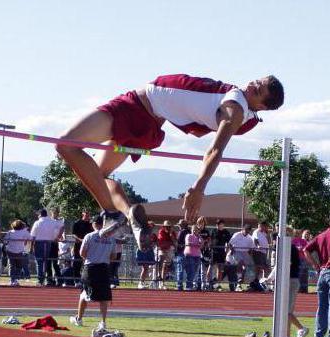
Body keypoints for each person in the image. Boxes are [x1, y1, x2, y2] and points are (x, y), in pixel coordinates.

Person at [55, 74, 284, 251]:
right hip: (149, 127)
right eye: (256, 82)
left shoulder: (234, 107)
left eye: (257, 90)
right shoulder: (243, 114)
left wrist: (198, 187)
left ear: (262, 106)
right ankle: (127, 214)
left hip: (134, 108)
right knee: (98, 175)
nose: (251, 85)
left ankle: (111, 214)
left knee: (65, 145)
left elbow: (215, 149)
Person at [69, 215, 116, 337]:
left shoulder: (89, 236)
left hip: (90, 267)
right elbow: (113, 256)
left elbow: (82, 253)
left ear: (94, 224)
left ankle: (79, 318)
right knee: (104, 297)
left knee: (84, 293)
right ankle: (103, 322)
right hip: (104, 268)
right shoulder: (111, 238)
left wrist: (91, 258)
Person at [30, 209, 61, 286]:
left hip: (39, 242)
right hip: (49, 242)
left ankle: (40, 280)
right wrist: (57, 237)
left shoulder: (37, 222)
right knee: (46, 261)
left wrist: (31, 247)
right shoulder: (52, 221)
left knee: (39, 262)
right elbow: (61, 226)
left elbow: (33, 236)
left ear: (40, 215)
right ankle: (46, 279)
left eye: (38, 214)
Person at [5, 219, 31, 287]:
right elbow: (30, 238)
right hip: (18, 251)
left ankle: (12, 279)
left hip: (11, 251)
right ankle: (15, 279)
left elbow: (5, 240)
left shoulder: (10, 232)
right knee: (18, 266)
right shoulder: (24, 232)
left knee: (12, 266)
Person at [229, 224, 255, 290]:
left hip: (245, 252)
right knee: (240, 263)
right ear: (243, 229)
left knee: (248, 267)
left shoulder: (250, 237)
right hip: (237, 251)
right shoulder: (237, 234)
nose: (247, 232)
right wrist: (233, 251)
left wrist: (249, 255)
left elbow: (251, 248)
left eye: (248, 230)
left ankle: (242, 283)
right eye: (246, 230)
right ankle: (239, 279)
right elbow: (230, 243)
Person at [45, 207, 66, 286]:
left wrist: (58, 237)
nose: (55, 214)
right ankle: (49, 280)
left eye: (56, 213)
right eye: (54, 213)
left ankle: (59, 280)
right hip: (49, 242)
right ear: (51, 213)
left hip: (54, 243)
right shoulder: (49, 221)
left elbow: (62, 229)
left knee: (55, 262)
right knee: (48, 262)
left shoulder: (60, 221)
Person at [71, 211, 92, 286]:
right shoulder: (77, 223)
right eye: (86, 213)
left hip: (89, 246)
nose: (87, 215)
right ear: (83, 214)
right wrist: (80, 240)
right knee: (77, 263)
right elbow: (73, 234)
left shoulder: (91, 224)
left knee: (89, 262)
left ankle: (88, 280)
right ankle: (76, 280)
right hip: (79, 245)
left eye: (88, 214)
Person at [209, 219, 231, 290]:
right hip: (214, 252)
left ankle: (217, 284)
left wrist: (226, 252)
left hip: (222, 253)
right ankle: (208, 283)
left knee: (220, 269)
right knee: (210, 267)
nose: (221, 226)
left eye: (222, 224)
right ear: (217, 225)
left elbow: (229, 244)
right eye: (219, 224)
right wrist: (210, 248)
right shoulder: (213, 231)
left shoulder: (226, 232)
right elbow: (210, 241)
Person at [155, 220, 176, 290]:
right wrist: (169, 243)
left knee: (166, 265)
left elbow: (175, 242)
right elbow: (161, 242)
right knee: (161, 258)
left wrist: (171, 236)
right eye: (166, 227)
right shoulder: (161, 231)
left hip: (169, 249)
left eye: (169, 227)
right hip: (162, 249)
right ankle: (159, 277)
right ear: (164, 227)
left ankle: (162, 282)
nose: (168, 228)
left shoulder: (172, 233)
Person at [136, 221, 157, 289]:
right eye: (150, 226)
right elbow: (141, 241)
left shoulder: (152, 234)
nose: (152, 227)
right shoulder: (143, 232)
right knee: (145, 267)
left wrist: (152, 244)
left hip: (149, 251)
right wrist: (145, 246)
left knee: (146, 268)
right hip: (143, 251)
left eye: (153, 226)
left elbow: (154, 242)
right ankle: (140, 283)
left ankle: (142, 282)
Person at [183, 224, 203, 291]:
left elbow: (202, 245)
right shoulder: (188, 235)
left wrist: (199, 237)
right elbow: (188, 243)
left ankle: (190, 284)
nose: (195, 231)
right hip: (189, 255)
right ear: (191, 230)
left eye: (196, 230)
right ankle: (188, 286)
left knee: (195, 271)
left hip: (197, 255)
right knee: (191, 271)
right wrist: (197, 245)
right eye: (193, 230)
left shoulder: (198, 237)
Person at [292, 229, 310, 293]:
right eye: (296, 233)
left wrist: (301, 248)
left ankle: (304, 289)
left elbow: (306, 248)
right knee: (299, 274)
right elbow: (293, 248)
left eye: (298, 233)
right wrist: (298, 248)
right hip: (297, 259)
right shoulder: (293, 240)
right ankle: (299, 289)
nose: (297, 234)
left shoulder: (303, 241)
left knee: (304, 274)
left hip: (304, 259)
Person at [175, 219, 191, 291]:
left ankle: (179, 285)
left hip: (181, 252)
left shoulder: (181, 232)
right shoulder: (189, 232)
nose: (179, 226)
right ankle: (188, 285)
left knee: (180, 270)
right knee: (189, 270)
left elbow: (178, 243)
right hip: (189, 253)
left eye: (180, 225)